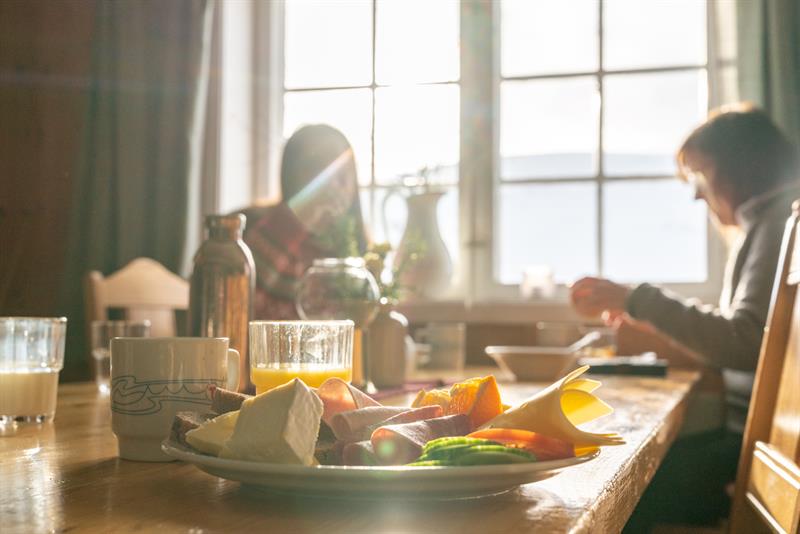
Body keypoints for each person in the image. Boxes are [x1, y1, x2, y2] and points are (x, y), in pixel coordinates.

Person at [571, 104, 800, 530]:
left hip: (746, 451)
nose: (697, 193)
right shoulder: (767, 224)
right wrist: (662, 339)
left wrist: (636, 298)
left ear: (741, 168)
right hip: (748, 442)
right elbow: (756, 346)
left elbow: (745, 341)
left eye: (702, 175)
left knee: (617, 483)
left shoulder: (777, 224)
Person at [239, 124, 368, 319]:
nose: (332, 183)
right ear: (291, 175)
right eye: (317, 167)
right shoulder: (255, 230)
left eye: (342, 173)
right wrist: (299, 218)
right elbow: (246, 305)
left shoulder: (356, 248)